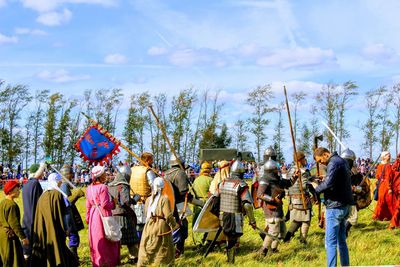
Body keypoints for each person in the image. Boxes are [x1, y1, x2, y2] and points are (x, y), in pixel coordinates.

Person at [314, 147, 354, 267]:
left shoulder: (333, 162)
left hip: (335, 206)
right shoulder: (341, 161)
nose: (321, 163)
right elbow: (336, 181)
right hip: (344, 206)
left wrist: (316, 189)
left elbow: (329, 183)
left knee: (330, 243)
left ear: (326, 154)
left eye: (320, 160)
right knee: (341, 241)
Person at [30, 172, 79, 267]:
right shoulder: (58, 195)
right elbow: (66, 211)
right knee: (58, 251)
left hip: (44, 230)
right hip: (55, 229)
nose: (61, 183)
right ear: (56, 182)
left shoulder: (42, 196)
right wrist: (67, 228)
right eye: (59, 181)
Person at [214, 158, 256, 263]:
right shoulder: (241, 185)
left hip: (223, 215)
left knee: (228, 236)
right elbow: (247, 205)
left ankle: (230, 259)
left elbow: (215, 199)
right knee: (233, 237)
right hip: (235, 215)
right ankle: (231, 261)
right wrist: (252, 220)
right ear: (241, 173)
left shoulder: (222, 183)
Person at [164, 153, 203, 258]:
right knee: (182, 228)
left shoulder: (166, 173)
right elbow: (183, 193)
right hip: (180, 205)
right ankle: (178, 251)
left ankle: (173, 250)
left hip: (169, 205)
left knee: (172, 227)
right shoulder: (180, 173)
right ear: (180, 163)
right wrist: (200, 203)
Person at [257, 159, 298, 257]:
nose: (278, 171)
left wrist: (295, 177)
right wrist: (273, 200)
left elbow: (288, 183)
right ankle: (263, 251)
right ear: (271, 171)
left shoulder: (278, 180)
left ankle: (273, 249)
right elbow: (260, 194)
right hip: (271, 208)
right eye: (276, 169)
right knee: (274, 231)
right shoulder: (264, 180)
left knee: (281, 232)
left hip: (278, 208)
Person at [137, 177, 178, 267]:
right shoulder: (164, 199)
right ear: (162, 188)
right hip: (161, 226)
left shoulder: (148, 200)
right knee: (163, 247)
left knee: (148, 244)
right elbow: (168, 215)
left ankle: (147, 263)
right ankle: (161, 264)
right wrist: (174, 225)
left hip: (149, 225)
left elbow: (145, 212)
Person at [86, 165, 120, 267]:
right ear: (100, 176)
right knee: (107, 236)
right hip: (101, 215)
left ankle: (97, 260)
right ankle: (107, 261)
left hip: (93, 214)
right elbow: (105, 204)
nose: (106, 175)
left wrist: (88, 217)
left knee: (96, 238)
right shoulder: (103, 187)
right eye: (104, 173)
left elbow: (87, 204)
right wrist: (113, 203)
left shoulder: (89, 188)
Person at [284, 151, 317, 244]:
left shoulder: (290, 170)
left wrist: (313, 178)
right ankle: (303, 240)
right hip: (302, 199)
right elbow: (304, 186)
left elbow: (288, 185)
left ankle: (287, 237)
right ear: (300, 160)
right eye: (303, 158)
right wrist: (313, 193)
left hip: (292, 199)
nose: (305, 160)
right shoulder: (304, 171)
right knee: (306, 220)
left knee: (297, 220)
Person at [108, 167, 139, 263]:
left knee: (116, 239)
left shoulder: (110, 185)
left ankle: (115, 258)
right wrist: (135, 199)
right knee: (132, 238)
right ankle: (133, 257)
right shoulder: (123, 185)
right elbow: (126, 202)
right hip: (123, 215)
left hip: (113, 215)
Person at [59, 164, 85, 261]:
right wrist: (77, 195)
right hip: (67, 216)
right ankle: (73, 258)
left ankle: (73, 257)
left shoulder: (63, 184)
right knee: (73, 236)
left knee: (73, 236)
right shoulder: (64, 185)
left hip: (67, 214)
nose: (72, 176)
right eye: (71, 174)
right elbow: (67, 202)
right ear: (67, 174)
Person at [0, 180, 28, 267]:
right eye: (17, 189)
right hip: (9, 236)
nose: (19, 191)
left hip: (2, 235)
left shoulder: (2, 202)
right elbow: (14, 224)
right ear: (11, 191)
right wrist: (23, 238)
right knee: (12, 259)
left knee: (5, 257)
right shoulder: (11, 205)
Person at [130, 152, 157, 241]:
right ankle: (143, 244)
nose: (152, 162)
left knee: (135, 224)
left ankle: (137, 243)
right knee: (144, 225)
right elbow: (155, 186)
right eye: (152, 160)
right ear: (148, 160)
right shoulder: (147, 171)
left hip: (132, 202)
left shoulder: (132, 170)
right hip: (144, 202)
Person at [21, 163, 46, 260]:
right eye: (42, 172)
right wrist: (42, 166)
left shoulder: (27, 184)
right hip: (33, 219)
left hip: (27, 218)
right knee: (30, 251)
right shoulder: (34, 183)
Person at [341, 149, 365, 236]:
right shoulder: (343, 170)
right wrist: (354, 188)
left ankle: (344, 232)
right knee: (353, 218)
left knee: (345, 217)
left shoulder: (342, 168)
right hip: (346, 197)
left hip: (347, 197)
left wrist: (357, 187)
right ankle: (344, 231)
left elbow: (355, 180)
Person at [372, 151, 395, 222]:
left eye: (389, 154)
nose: (389, 155)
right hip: (386, 186)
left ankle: (379, 216)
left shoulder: (379, 165)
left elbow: (377, 177)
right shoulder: (388, 166)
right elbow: (388, 178)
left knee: (381, 201)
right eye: (387, 154)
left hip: (381, 186)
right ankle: (391, 216)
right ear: (383, 157)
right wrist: (389, 188)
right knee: (389, 201)